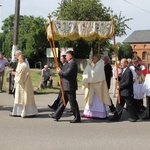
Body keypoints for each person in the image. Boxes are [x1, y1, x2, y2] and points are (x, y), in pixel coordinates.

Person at [49, 51, 81, 123]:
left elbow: (67, 73)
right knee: (62, 101)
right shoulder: (68, 63)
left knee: (73, 103)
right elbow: (63, 72)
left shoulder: (72, 64)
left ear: (71, 56)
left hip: (70, 86)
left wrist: (59, 72)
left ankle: (77, 118)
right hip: (66, 85)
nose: (65, 57)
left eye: (67, 56)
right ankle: (57, 115)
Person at [82, 54, 111, 119]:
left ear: (97, 58)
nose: (92, 60)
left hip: (99, 85)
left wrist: (89, 68)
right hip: (92, 85)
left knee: (99, 99)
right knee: (91, 99)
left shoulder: (101, 64)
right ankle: (88, 112)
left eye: (94, 59)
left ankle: (100, 114)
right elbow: (87, 71)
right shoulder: (92, 64)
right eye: (92, 59)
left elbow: (95, 73)